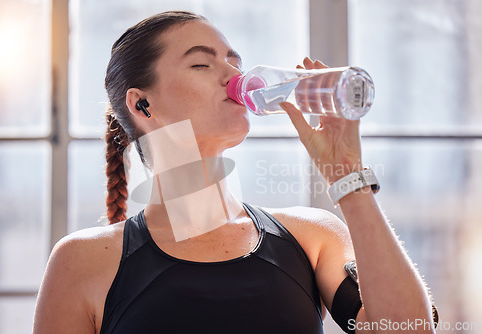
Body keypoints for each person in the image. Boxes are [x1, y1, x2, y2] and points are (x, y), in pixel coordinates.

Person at [33, 11, 436, 334]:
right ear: (142, 106)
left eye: (234, 61)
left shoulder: (311, 237)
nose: (234, 77)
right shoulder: (82, 261)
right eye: (201, 64)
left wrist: (348, 177)